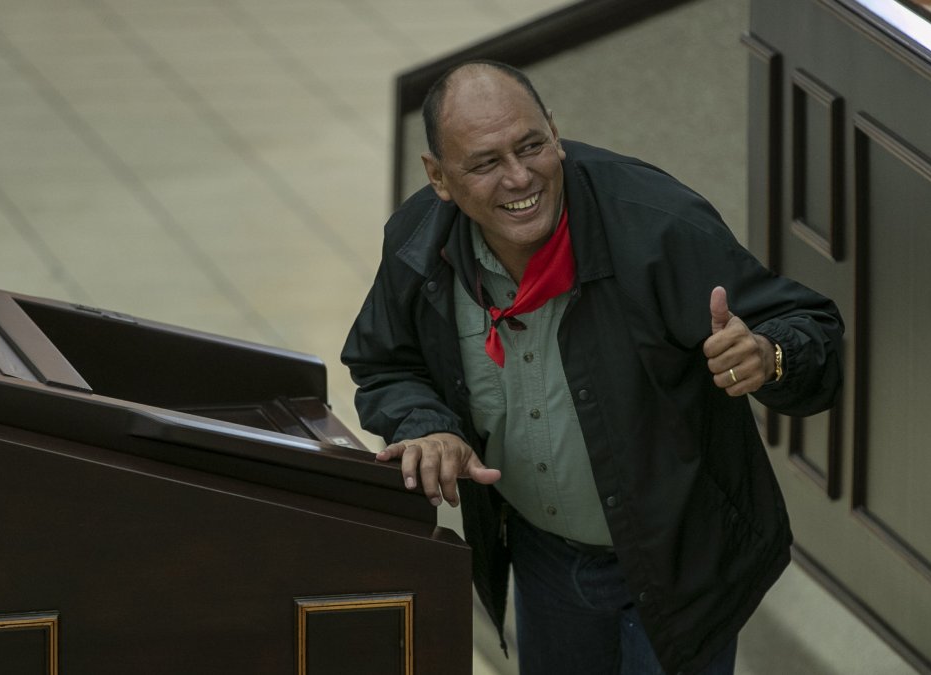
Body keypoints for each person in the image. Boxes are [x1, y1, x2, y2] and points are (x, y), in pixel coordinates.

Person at [341, 60, 843, 675]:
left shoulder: (657, 224)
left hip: (680, 563)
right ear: (439, 177)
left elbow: (812, 329)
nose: (519, 177)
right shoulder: (419, 241)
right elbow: (385, 361)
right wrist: (426, 422)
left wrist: (770, 355)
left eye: (532, 145)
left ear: (555, 130)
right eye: (485, 162)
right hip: (543, 563)